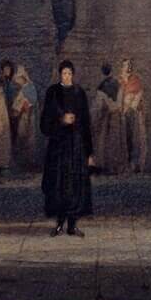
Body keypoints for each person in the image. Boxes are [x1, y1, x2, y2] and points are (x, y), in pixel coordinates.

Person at [40, 60, 94, 237]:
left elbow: (86, 124)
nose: (67, 76)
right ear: (60, 74)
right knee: (59, 185)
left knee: (75, 185)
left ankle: (72, 225)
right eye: (64, 73)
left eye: (69, 73)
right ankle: (59, 223)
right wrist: (61, 121)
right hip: (59, 147)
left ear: (73, 74)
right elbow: (44, 123)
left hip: (77, 147)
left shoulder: (79, 93)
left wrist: (89, 152)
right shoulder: (53, 92)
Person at [92, 65, 127, 176]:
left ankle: (108, 167)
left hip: (107, 116)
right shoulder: (118, 84)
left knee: (106, 141)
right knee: (116, 140)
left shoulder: (102, 87)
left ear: (102, 72)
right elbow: (121, 102)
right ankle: (116, 167)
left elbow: (98, 106)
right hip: (117, 114)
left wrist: (95, 119)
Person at [118, 57, 148, 173]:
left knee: (135, 139)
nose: (128, 67)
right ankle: (126, 164)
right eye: (126, 65)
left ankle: (135, 165)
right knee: (125, 139)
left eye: (129, 65)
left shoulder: (135, 79)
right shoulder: (119, 80)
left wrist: (132, 104)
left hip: (134, 113)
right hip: (123, 113)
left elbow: (139, 94)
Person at [9, 65, 39, 171]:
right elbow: (18, 103)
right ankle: (23, 162)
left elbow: (31, 102)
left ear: (23, 78)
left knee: (29, 139)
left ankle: (29, 163)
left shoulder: (29, 87)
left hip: (29, 117)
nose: (18, 82)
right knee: (22, 138)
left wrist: (22, 107)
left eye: (19, 80)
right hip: (23, 117)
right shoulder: (24, 88)